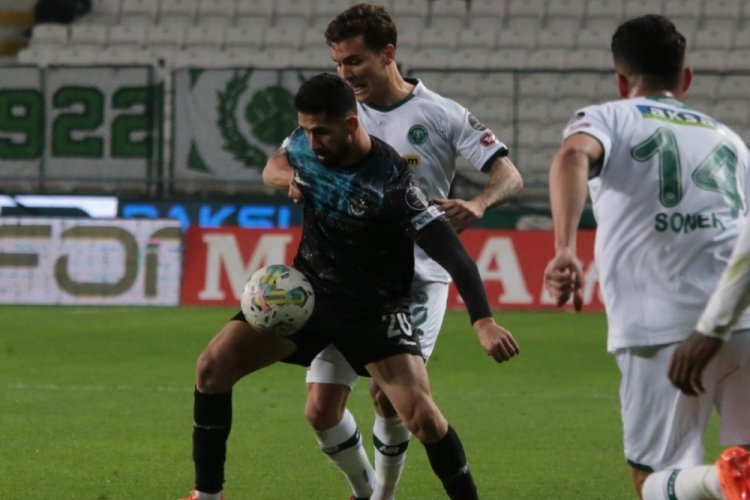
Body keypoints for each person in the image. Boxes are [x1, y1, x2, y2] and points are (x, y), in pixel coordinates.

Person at [180, 73, 520, 500]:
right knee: (212, 367)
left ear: (351, 124)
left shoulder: (392, 185)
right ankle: (207, 495)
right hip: (309, 299)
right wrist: (291, 177)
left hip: (373, 311)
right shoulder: (305, 149)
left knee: (422, 418)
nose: (312, 141)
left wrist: (483, 321)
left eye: (321, 132)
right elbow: (275, 165)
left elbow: (455, 255)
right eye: (306, 130)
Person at [263, 4, 523, 498]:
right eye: (339, 63)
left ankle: (381, 495)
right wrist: (296, 177)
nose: (345, 73)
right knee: (320, 409)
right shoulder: (336, 113)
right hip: (344, 279)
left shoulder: (440, 114)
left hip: (417, 278)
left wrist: (480, 202)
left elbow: (509, 175)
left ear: (387, 54)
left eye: (355, 61)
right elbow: (276, 163)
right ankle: (365, 489)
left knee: (390, 398)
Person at [543, 14, 750, 500]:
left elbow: (572, 156)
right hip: (742, 320)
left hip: (662, 328)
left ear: (621, 81)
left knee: (653, 478)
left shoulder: (610, 117)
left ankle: (714, 481)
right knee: (748, 467)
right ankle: (727, 478)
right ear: (686, 78)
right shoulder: (730, 140)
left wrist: (565, 249)